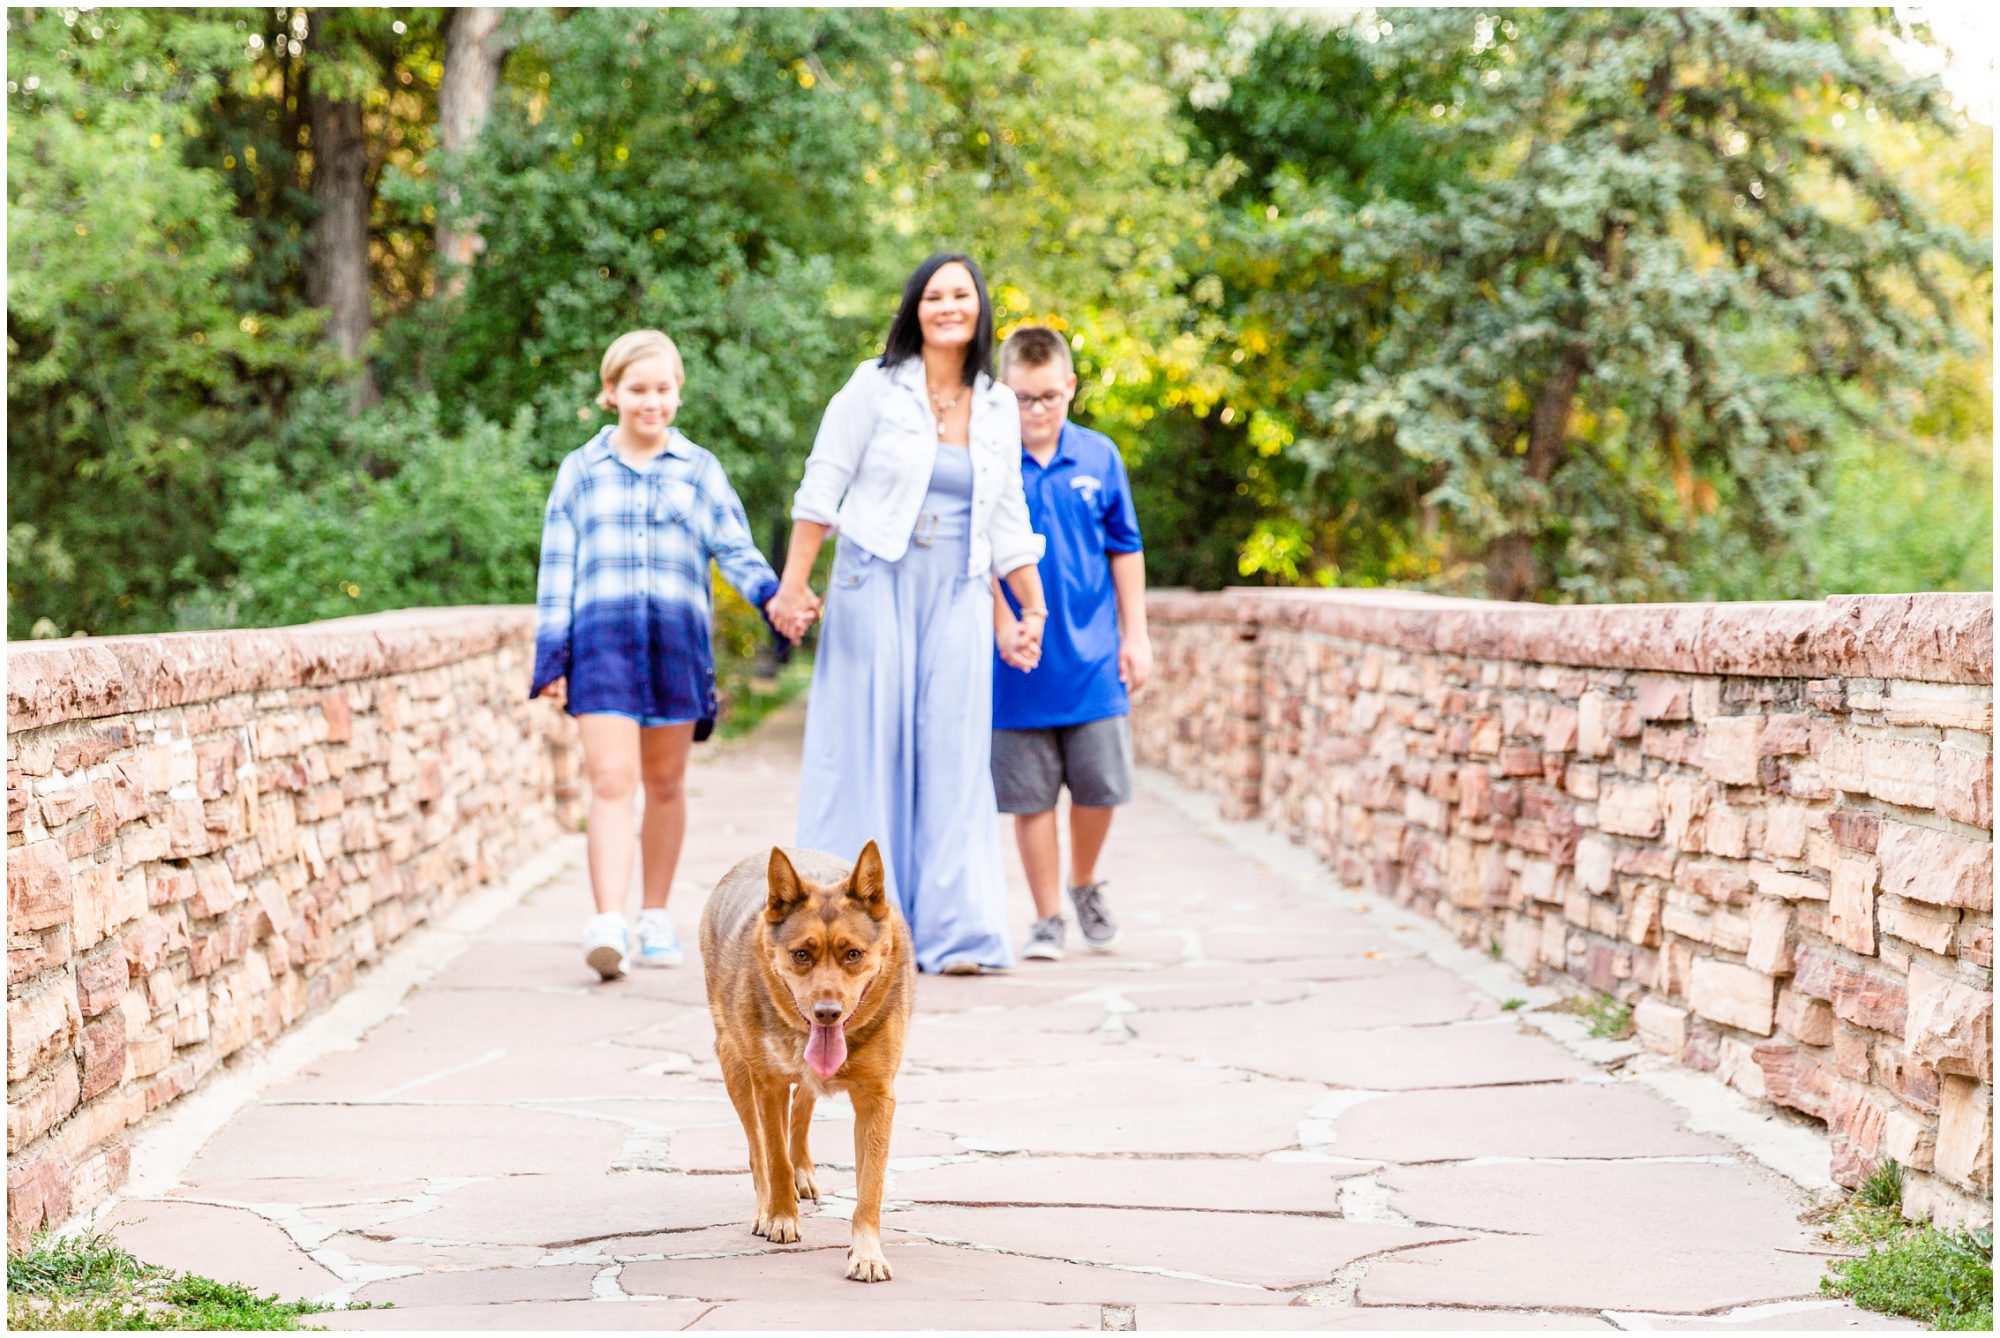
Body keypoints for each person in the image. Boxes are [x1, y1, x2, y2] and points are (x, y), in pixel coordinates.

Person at [768, 253, 1048, 975]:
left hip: (957, 591)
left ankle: (956, 934)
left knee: (955, 760)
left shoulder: (994, 405)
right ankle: (845, 933)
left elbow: (1009, 514)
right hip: (873, 582)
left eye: (961, 294)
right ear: (914, 309)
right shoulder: (873, 387)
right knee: (865, 753)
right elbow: (821, 485)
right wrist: (794, 587)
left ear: (980, 308)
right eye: (933, 295)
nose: (948, 305)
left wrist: (1031, 607)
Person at [531, 329, 813, 980]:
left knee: (664, 784)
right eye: (637, 389)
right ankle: (608, 921)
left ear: (677, 393)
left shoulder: (699, 470)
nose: (651, 401)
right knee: (609, 781)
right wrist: (552, 658)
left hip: (674, 646)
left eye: (663, 389)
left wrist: (777, 598)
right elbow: (556, 567)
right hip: (600, 646)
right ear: (611, 393)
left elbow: (736, 549)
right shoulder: (580, 471)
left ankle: (654, 914)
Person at [989, 325, 1151, 961]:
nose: (1037, 411)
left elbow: (1125, 547)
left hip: (1092, 658)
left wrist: (1135, 635)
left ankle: (1083, 882)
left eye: (1049, 397)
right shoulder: (989, 460)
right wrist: (1003, 624)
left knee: (1099, 788)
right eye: (1024, 398)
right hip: (1018, 664)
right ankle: (1047, 916)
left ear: (1071, 388)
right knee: (1030, 799)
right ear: (1004, 392)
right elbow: (979, 555)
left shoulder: (1099, 456)